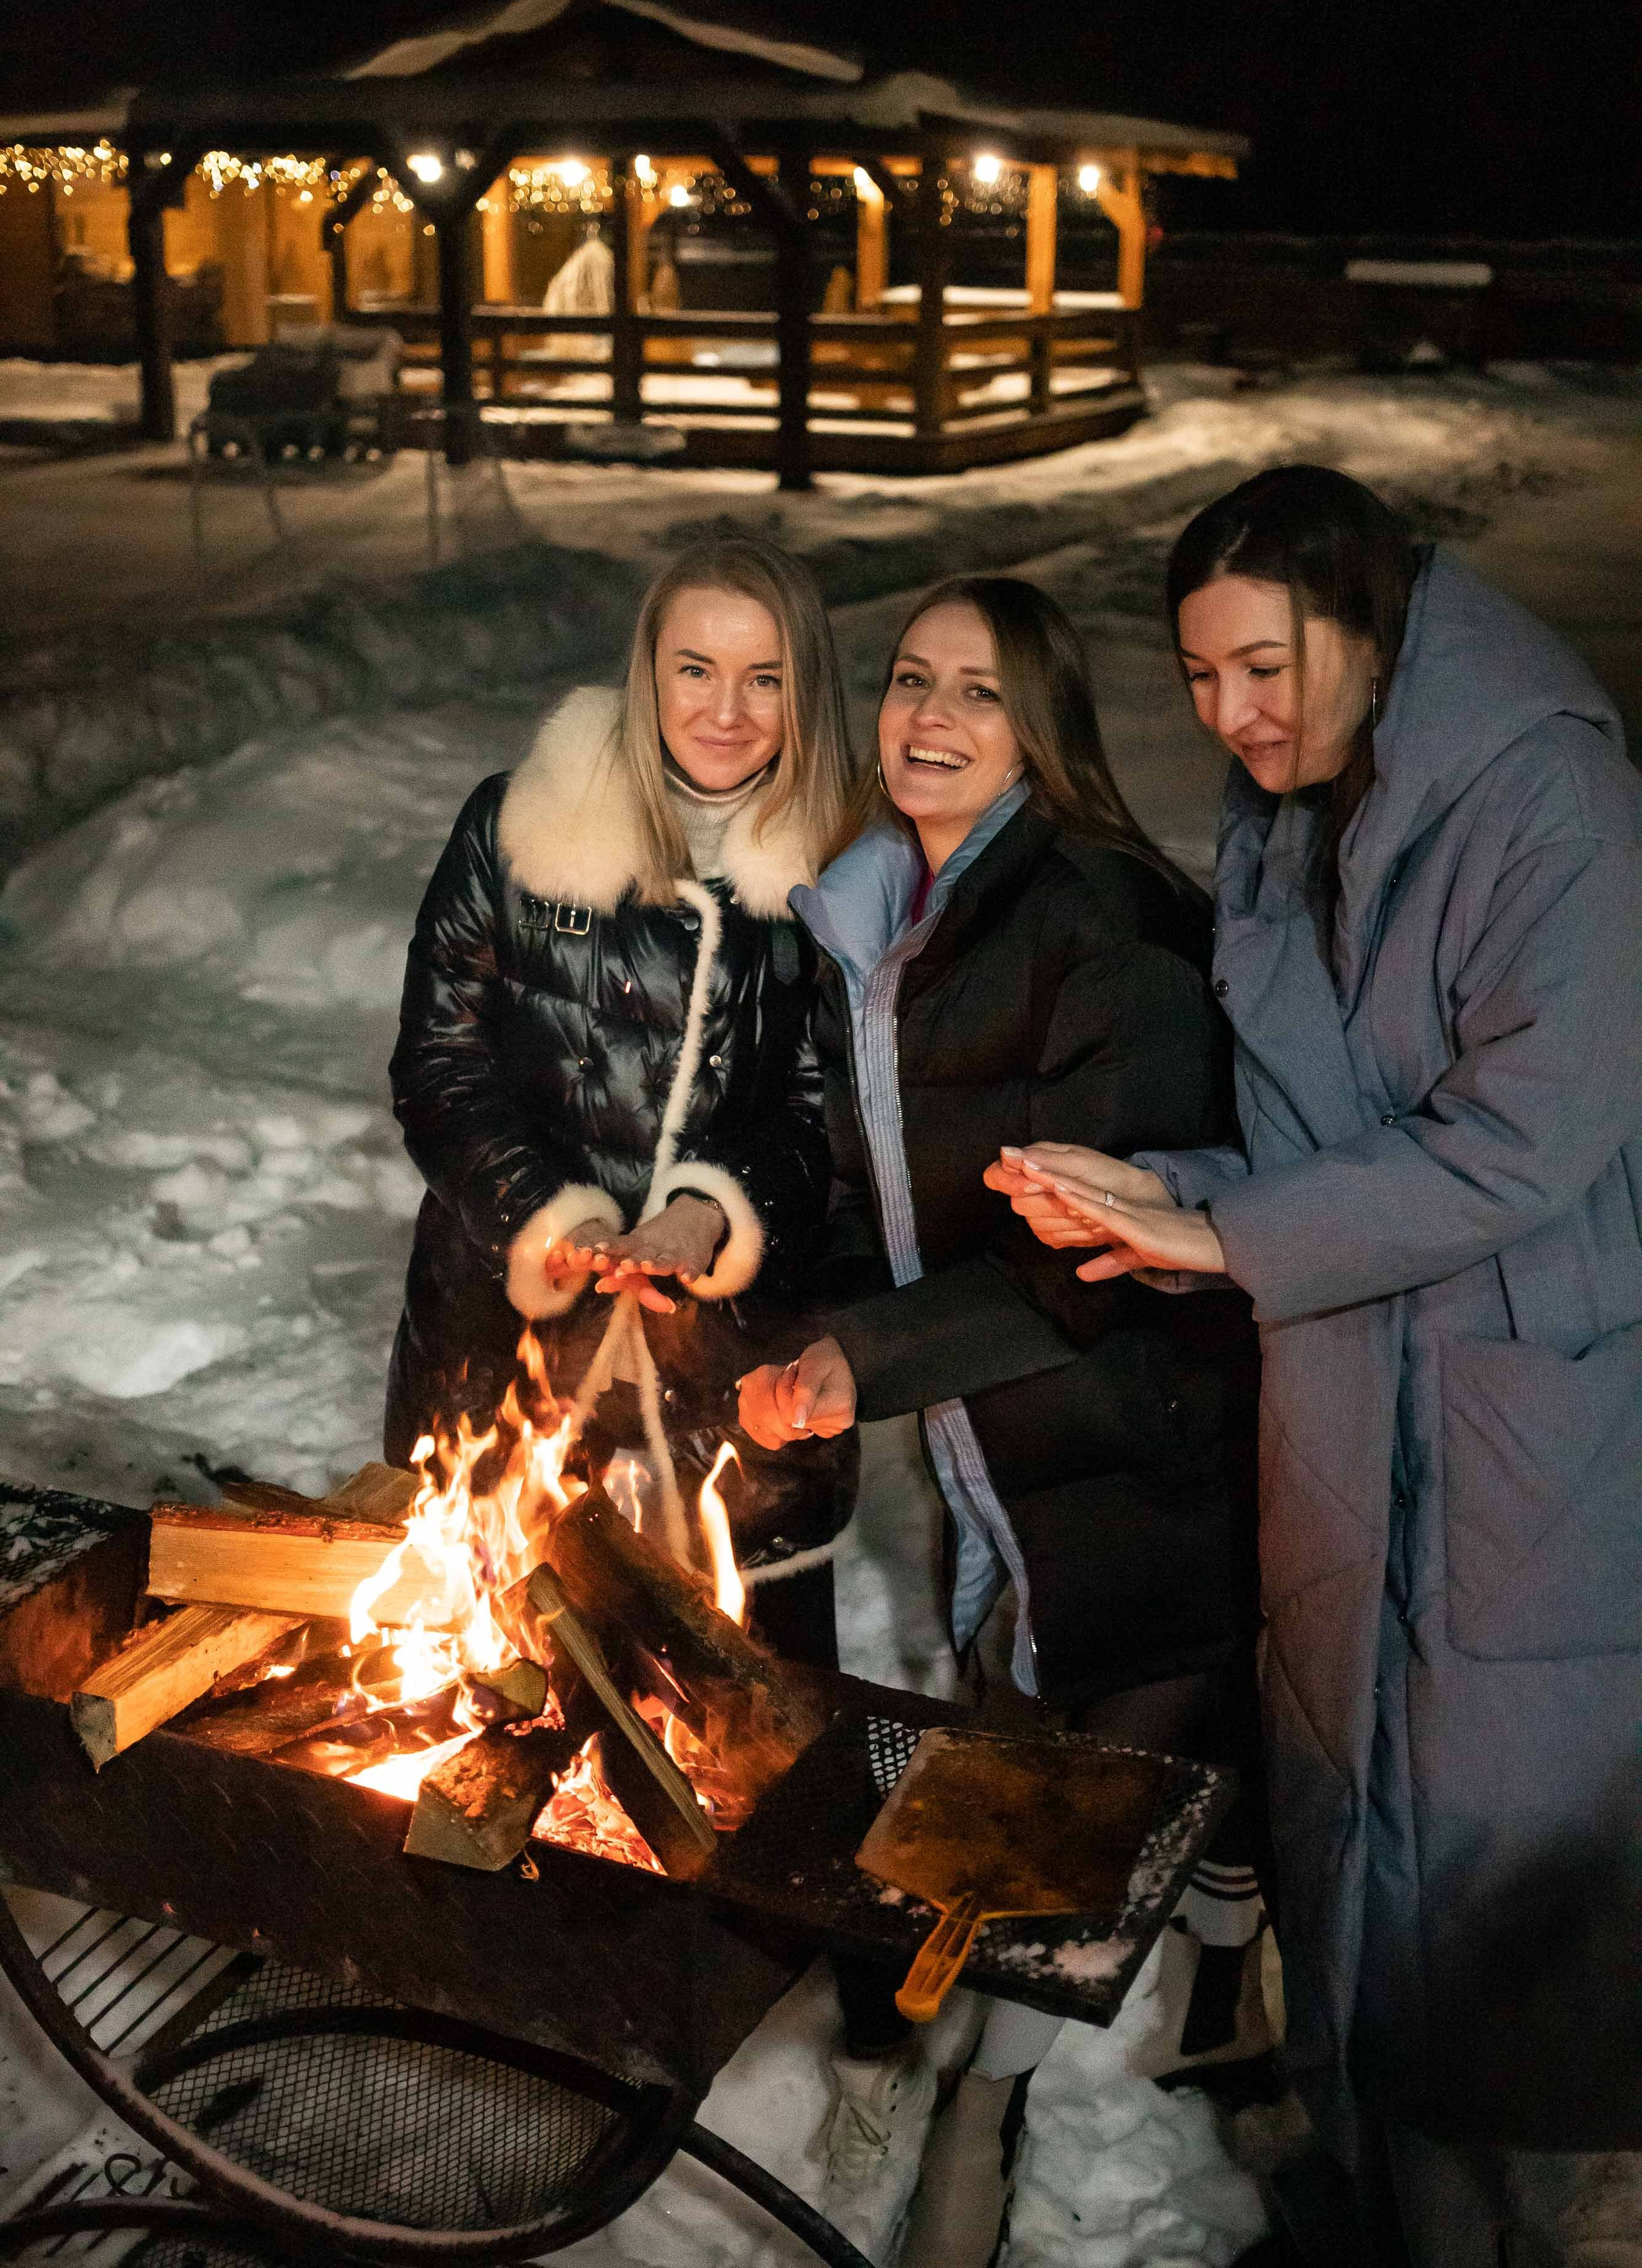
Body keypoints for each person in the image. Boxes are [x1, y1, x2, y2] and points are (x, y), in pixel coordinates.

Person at [990, 465, 1642, 2268]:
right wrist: (1174, 1194)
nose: (1228, 713)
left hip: (1527, 1400)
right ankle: (1387, 2198)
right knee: (1357, 1818)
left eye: (1263, 666)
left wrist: (1240, 1238)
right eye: (1198, 678)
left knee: (1506, 1858)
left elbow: (1528, 1137)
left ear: (1369, 624)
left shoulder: (1551, 801)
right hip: (1360, 1392)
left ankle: (1532, 2219)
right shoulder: (1298, 809)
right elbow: (1318, 1135)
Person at [738, 576, 1264, 2266]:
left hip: (1146, 1453)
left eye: (978, 690)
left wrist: (866, 1363)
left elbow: (1098, 1251)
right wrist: (781, 1314)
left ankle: (997, 2107)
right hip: (1010, 1461)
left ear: (1042, 725)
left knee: (1065, 1808)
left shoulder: (1097, 923)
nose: (931, 717)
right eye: (909, 681)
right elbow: (867, 1206)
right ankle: (1201, 1997)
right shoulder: (884, 930)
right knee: (1051, 1769)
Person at [386, 536, 858, 1650]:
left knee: (749, 1729)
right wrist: (554, 1215)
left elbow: (840, 1114)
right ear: (648, 671)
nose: (726, 711)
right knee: (494, 1689)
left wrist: (712, 1214)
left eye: (766, 677)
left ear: (808, 690)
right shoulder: (522, 824)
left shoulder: (851, 868)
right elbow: (438, 1061)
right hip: (506, 1351)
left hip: (740, 1375)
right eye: (696, 668)